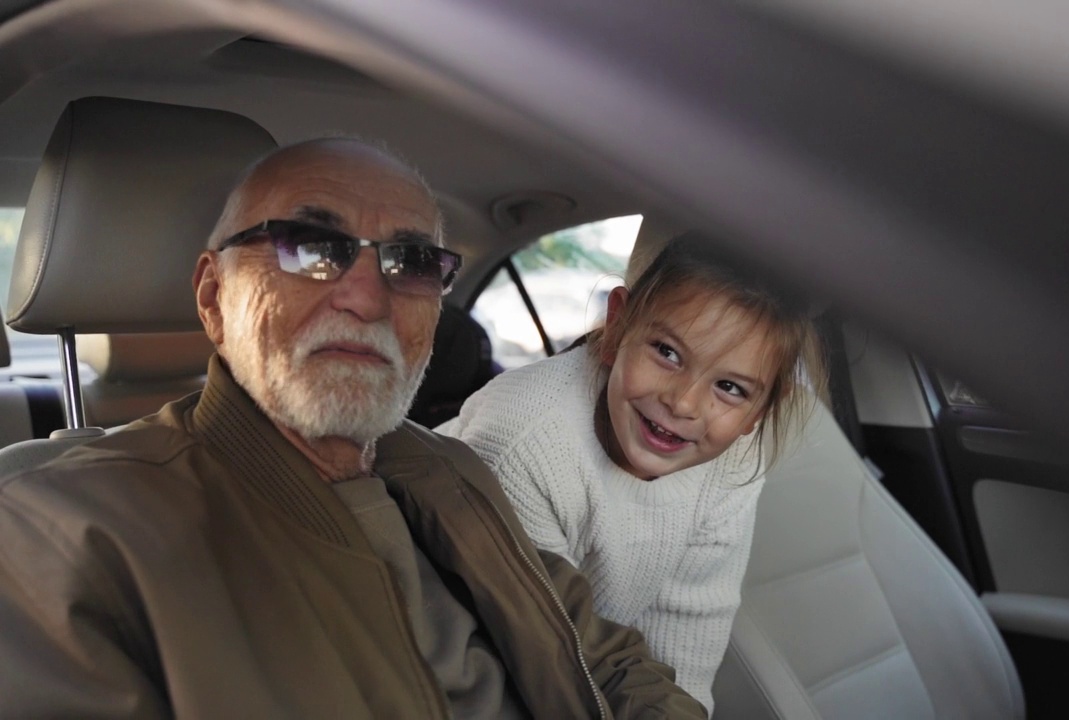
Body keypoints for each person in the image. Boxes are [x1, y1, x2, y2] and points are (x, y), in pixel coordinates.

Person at [0, 138, 706, 719]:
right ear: (215, 297)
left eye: (411, 261)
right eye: (310, 247)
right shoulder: (54, 534)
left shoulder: (450, 469)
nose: (367, 297)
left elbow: (602, 659)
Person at [438, 234, 827, 712]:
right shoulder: (525, 441)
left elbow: (688, 636)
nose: (683, 403)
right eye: (667, 352)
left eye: (729, 387)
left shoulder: (733, 462)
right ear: (618, 327)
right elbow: (542, 651)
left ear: (759, 413)